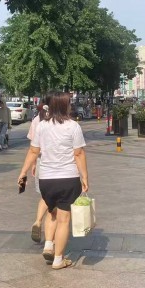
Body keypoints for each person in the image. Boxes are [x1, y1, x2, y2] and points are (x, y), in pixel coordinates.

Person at [18, 93, 89, 270]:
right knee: (64, 220)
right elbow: (78, 153)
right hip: (68, 178)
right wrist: (85, 177)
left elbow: (33, 151)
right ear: (65, 106)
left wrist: (23, 172)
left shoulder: (42, 126)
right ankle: (58, 259)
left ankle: (48, 245)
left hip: (46, 179)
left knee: (52, 212)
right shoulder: (73, 126)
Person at [27, 96, 51, 243]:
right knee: (55, 206)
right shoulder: (58, 120)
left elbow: (33, 147)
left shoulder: (37, 120)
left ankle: (37, 221)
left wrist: (33, 164)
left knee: (44, 196)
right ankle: (50, 242)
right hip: (56, 165)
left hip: (41, 161)